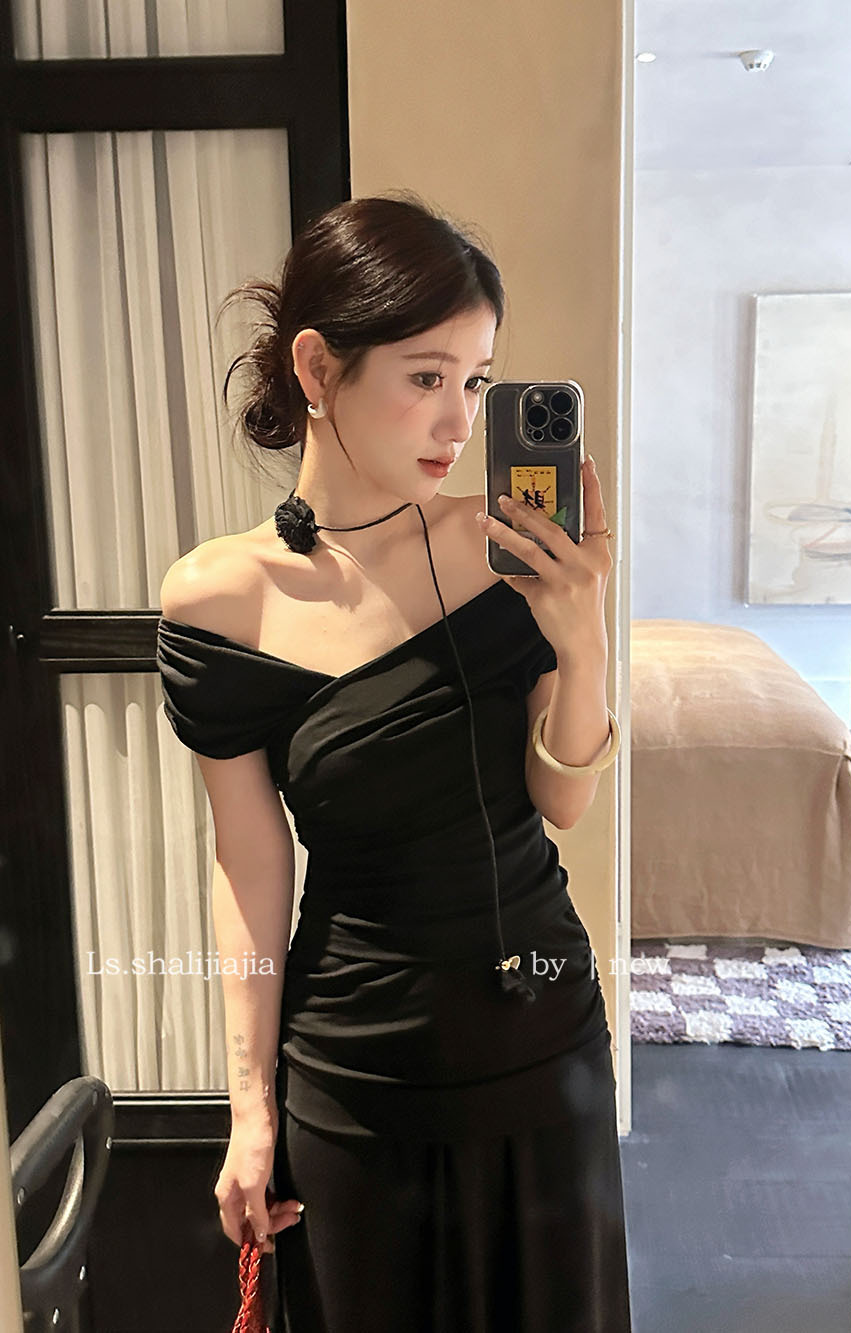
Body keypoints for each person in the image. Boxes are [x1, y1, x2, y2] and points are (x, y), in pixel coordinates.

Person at [155, 193, 631, 1331]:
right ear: (318, 367)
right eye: (426, 377)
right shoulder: (221, 599)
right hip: (356, 1068)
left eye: (477, 381)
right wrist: (250, 1108)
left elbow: (561, 798)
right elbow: (250, 864)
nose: (459, 421)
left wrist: (583, 640)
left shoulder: (503, 547)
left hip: (539, 1039)